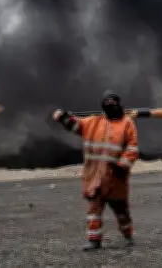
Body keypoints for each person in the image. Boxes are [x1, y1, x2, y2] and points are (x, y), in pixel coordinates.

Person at [52, 90, 140, 251]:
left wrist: (122, 165)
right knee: (94, 209)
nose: (112, 107)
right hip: (94, 177)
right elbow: (76, 124)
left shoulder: (127, 123)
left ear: (120, 105)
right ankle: (94, 240)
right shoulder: (93, 122)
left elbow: (132, 148)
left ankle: (128, 235)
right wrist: (63, 117)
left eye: (114, 104)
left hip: (115, 179)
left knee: (121, 211)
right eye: (108, 105)